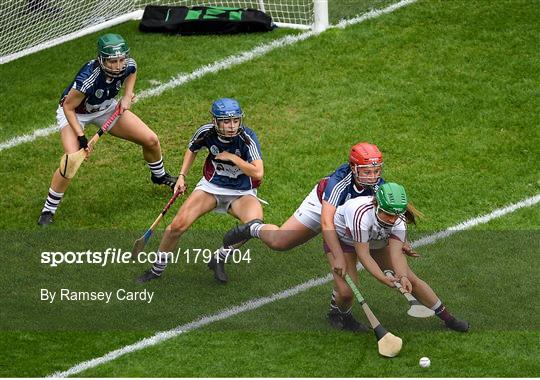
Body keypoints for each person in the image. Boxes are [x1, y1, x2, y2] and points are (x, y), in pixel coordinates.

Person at [223, 142, 412, 331]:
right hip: (322, 207)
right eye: (367, 172)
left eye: (376, 171)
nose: (373, 177)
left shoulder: (378, 184)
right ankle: (254, 228)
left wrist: (402, 239)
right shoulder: (339, 183)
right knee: (280, 242)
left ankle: (337, 313)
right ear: (354, 168)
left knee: (347, 283)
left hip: (348, 220)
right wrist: (337, 256)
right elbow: (326, 223)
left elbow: (394, 213)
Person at [37, 33, 177, 225]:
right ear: (102, 59)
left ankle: (159, 176)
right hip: (76, 113)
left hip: (105, 107)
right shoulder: (88, 78)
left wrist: (127, 95)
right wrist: (81, 137)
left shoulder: (127, 64)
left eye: (121, 60)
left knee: (151, 139)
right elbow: (68, 107)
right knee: (70, 161)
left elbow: (132, 71)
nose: (119, 65)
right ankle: (48, 209)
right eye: (113, 61)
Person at [136, 98, 264, 284]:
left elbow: (258, 172)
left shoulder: (247, 138)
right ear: (216, 121)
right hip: (212, 187)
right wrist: (181, 176)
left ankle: (220, 257)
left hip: (242, 192)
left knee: (253, 225)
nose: (232, 126)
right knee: (177, 225)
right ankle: (156, 270)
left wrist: (232, 158)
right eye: (226, 121)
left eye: (235, 121)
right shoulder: (206, 132)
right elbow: (192, 149)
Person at [330, 182, 469, 332]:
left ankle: (449, 319)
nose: (392, 219)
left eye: (396, 215)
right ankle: (339, 313)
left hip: (374, 238)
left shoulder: (398, 219)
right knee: (346, 293)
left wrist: (402, 277)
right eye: (388, 214)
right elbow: (363, 254)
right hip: (343, 239)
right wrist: (383, 278)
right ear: (377, 206)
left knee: (411, 279)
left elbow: (396, 253)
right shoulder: (361, 214)